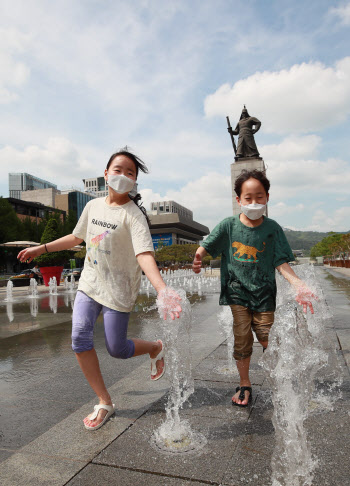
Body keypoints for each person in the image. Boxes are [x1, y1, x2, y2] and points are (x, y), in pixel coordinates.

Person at [18, 149, 182, 430]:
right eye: (118, 170)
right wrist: (40, 248)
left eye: (130, 173)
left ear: (135, 182)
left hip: (119, 290)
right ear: (106, 174)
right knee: (80, 337)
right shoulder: (93, 206)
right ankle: (104, 401)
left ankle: (155, 347)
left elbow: (144, 255)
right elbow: (76, 237)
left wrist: (162, 289)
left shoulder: (134, 215)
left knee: (117, 349)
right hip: (90, 284)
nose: (123, 176)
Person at [192, 169, 316, 407]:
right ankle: (245, 382)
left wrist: (298, 284)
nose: (254, 202)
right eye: (248, 198)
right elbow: (207, 244)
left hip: (264, 293)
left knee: (269, 337)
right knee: (242, 337)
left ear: (267, 197)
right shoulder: (228, 226)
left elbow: (280, 261)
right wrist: (198, 256)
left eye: (259, 197)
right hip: (236, 291)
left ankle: (281, 380)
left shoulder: (272, 228)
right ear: (238, 200)